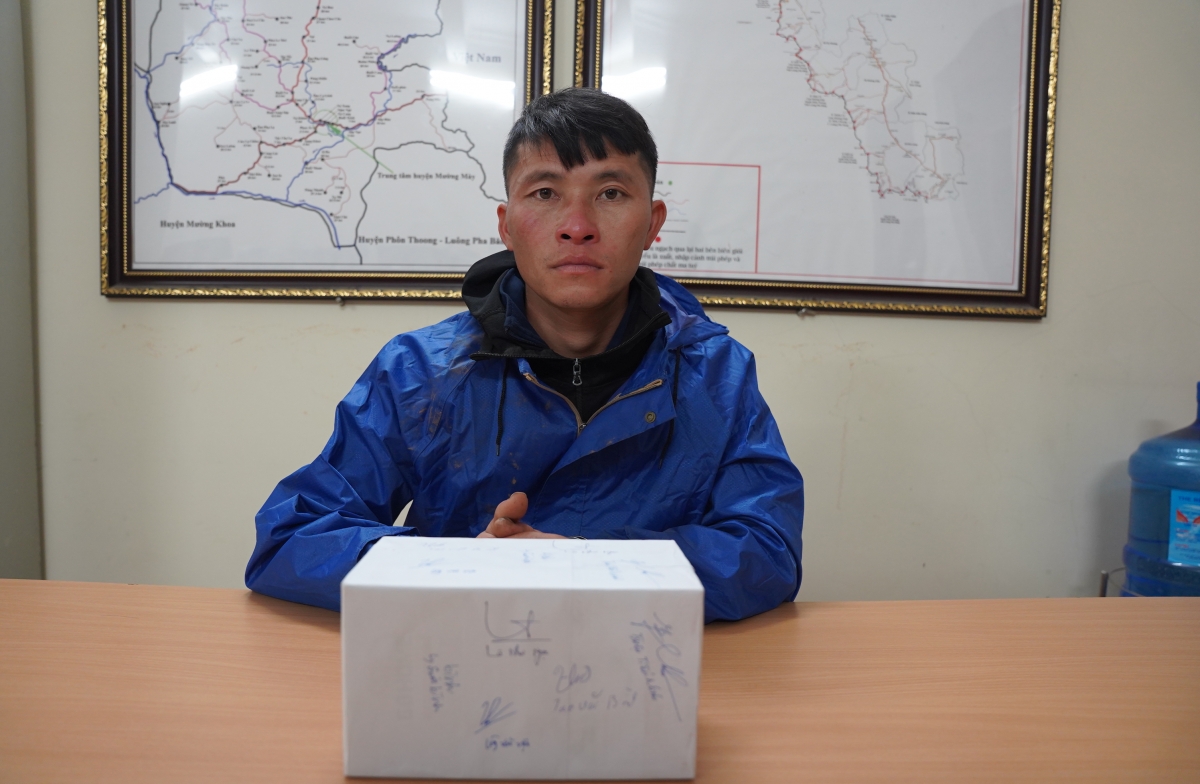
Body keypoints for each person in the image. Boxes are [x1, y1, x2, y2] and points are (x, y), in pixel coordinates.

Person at [246, 88, 804, 622]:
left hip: (644, 658)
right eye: (545, 194)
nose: (577, 228)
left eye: (610, 194)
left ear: (653, 224)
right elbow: (293, 538)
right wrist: (464, 570)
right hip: (465, 654)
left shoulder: (716, 373)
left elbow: (767, 550)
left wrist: (584, 567)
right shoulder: (421, 372)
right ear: (507, 225)